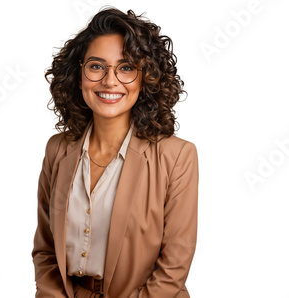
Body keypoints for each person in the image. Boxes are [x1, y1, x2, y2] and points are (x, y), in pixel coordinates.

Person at [32, 7, 199, 298]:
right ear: (78, 74)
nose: (110, 81)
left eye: (125, 68)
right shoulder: (57, 150)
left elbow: (174, 265)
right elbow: (46, 250)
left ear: (145, 78)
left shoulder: (177, 156)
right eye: (97, 66)